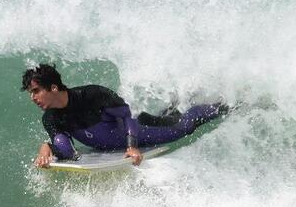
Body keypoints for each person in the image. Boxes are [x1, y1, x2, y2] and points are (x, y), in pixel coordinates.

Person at [21, 64, 227, 168]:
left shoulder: (91, 95)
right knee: (171, 117)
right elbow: (69, 152)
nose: (33, 98)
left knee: (184, 126)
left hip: (140, 131)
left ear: (54, 88)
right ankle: (177, 103)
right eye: (31, 93)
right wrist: (48, 148)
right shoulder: (51, 118)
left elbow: (126, 115)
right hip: (114, 143)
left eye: (36, 91)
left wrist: (131, 146)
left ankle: (226, 104)